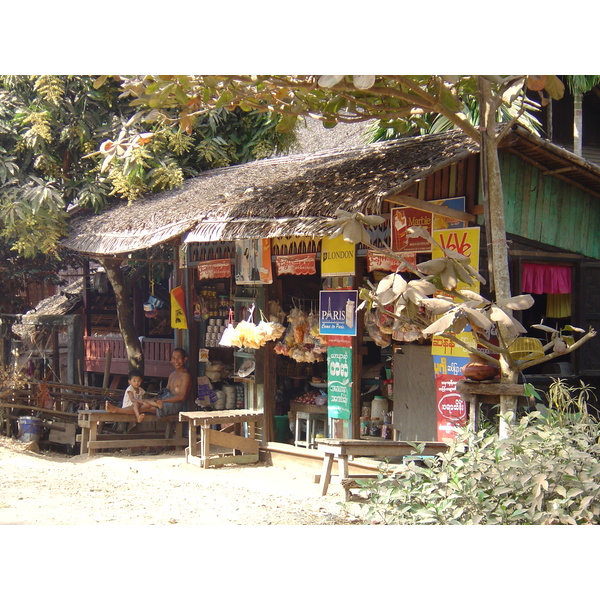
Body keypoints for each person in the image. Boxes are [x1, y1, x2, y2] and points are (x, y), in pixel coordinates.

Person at [105, 348, 192, 418]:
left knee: (146, 407)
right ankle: (117, 410)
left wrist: (163, 400)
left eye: (179, 358)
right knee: (144, 402)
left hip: (174, 405)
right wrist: (156, 398)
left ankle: (117, 410)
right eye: (173, 358)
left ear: (185, 359)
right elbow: (167, 391)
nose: (176, 361)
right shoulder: (172, 375)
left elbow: (182, 397)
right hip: (163, 401)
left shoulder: (185, 375)